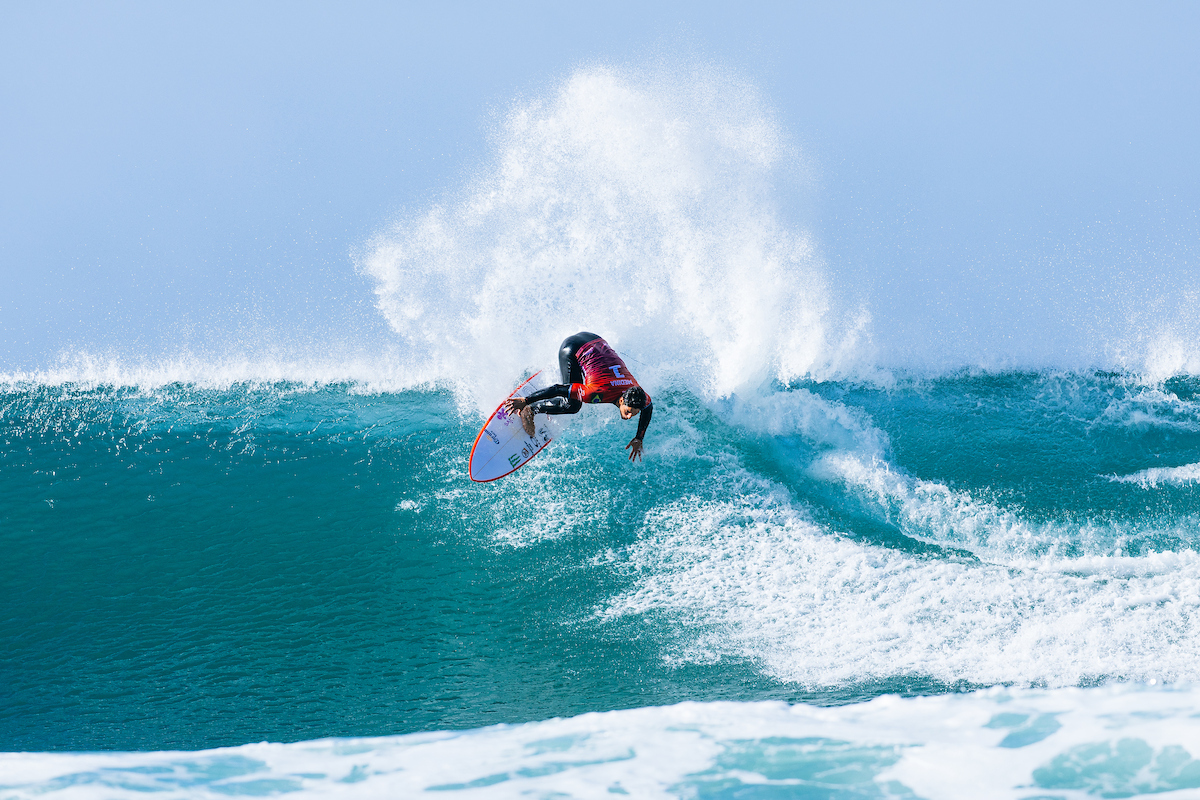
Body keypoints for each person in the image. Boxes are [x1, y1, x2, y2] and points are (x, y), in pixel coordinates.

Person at [502, 332, 653, 462]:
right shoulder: (595, 393)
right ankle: (530, 410)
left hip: (596, 340)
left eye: (634, 413)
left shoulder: (639, 395)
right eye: (628, 411)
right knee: (572, 405)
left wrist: (639, 437)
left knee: (577, 391)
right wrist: (526, 400)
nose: (629, 416)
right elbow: (559, 389)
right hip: (573, 347)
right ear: (621, 400)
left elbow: (648, 407)